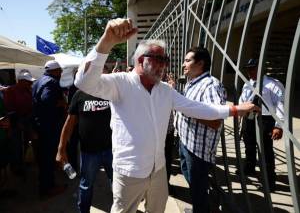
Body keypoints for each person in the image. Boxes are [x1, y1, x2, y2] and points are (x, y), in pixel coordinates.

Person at [74, 18, 258, 213]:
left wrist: (235, 110)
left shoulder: (165, 90)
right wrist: (106, 42)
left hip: (158, 170)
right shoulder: (121, 83)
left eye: (165, 60)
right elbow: (84, 82)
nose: (163, 65)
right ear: (139, 60)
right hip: (130, 172)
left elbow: (196, 107)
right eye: (157, 59)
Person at [174, 47, 226, 213]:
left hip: (198, 150)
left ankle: (203, 208)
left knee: (198, 188)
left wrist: (187, 111)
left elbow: (216, 121)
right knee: (194, 183)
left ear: (201, 63)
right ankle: (201, 207)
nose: (183, 64)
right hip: (186, 141)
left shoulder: (210, 85)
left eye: (188, 60)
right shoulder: (192, 83)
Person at [56, 65, 113, 213]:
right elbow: (69, 123)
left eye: (104, 74)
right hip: (89, 152)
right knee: (86, 185)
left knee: (118, 183)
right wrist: (61, 149)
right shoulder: (80, 95)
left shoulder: (113, 93)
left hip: (112, 150)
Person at [238, 58, 284, 191]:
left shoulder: (273, 84)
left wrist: (278, 126)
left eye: (253, 68)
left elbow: (281, 105)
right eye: (248, 69)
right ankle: (250, 167)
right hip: (249, 117)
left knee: (265, 150)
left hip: (265, 119)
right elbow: (243, 99)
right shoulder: (248, 84)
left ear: (261, 69)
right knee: (249, 144)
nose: (250, 71)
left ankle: (270, 180)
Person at [32, 60, 67, 198]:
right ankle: (47, 189)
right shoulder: (51, 82)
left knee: (44, 158)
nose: (61, 73)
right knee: (47, 158)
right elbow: (47, 100)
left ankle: (46, 185)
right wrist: (61, 102)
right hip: (49, 127)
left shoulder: (37, 81)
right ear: (55, 71)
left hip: (40, 125)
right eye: (60, 70)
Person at [3, 70, 36, 176]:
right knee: (16, 145)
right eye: (28, 81)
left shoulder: (28, 90)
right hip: (15, 122)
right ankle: (16, 167)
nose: (30, 83)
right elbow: (9, 109)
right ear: (21, 81)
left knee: (25, 143)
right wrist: (17, 121)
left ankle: (23, 162)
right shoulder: (11, 91)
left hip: (27, 120)